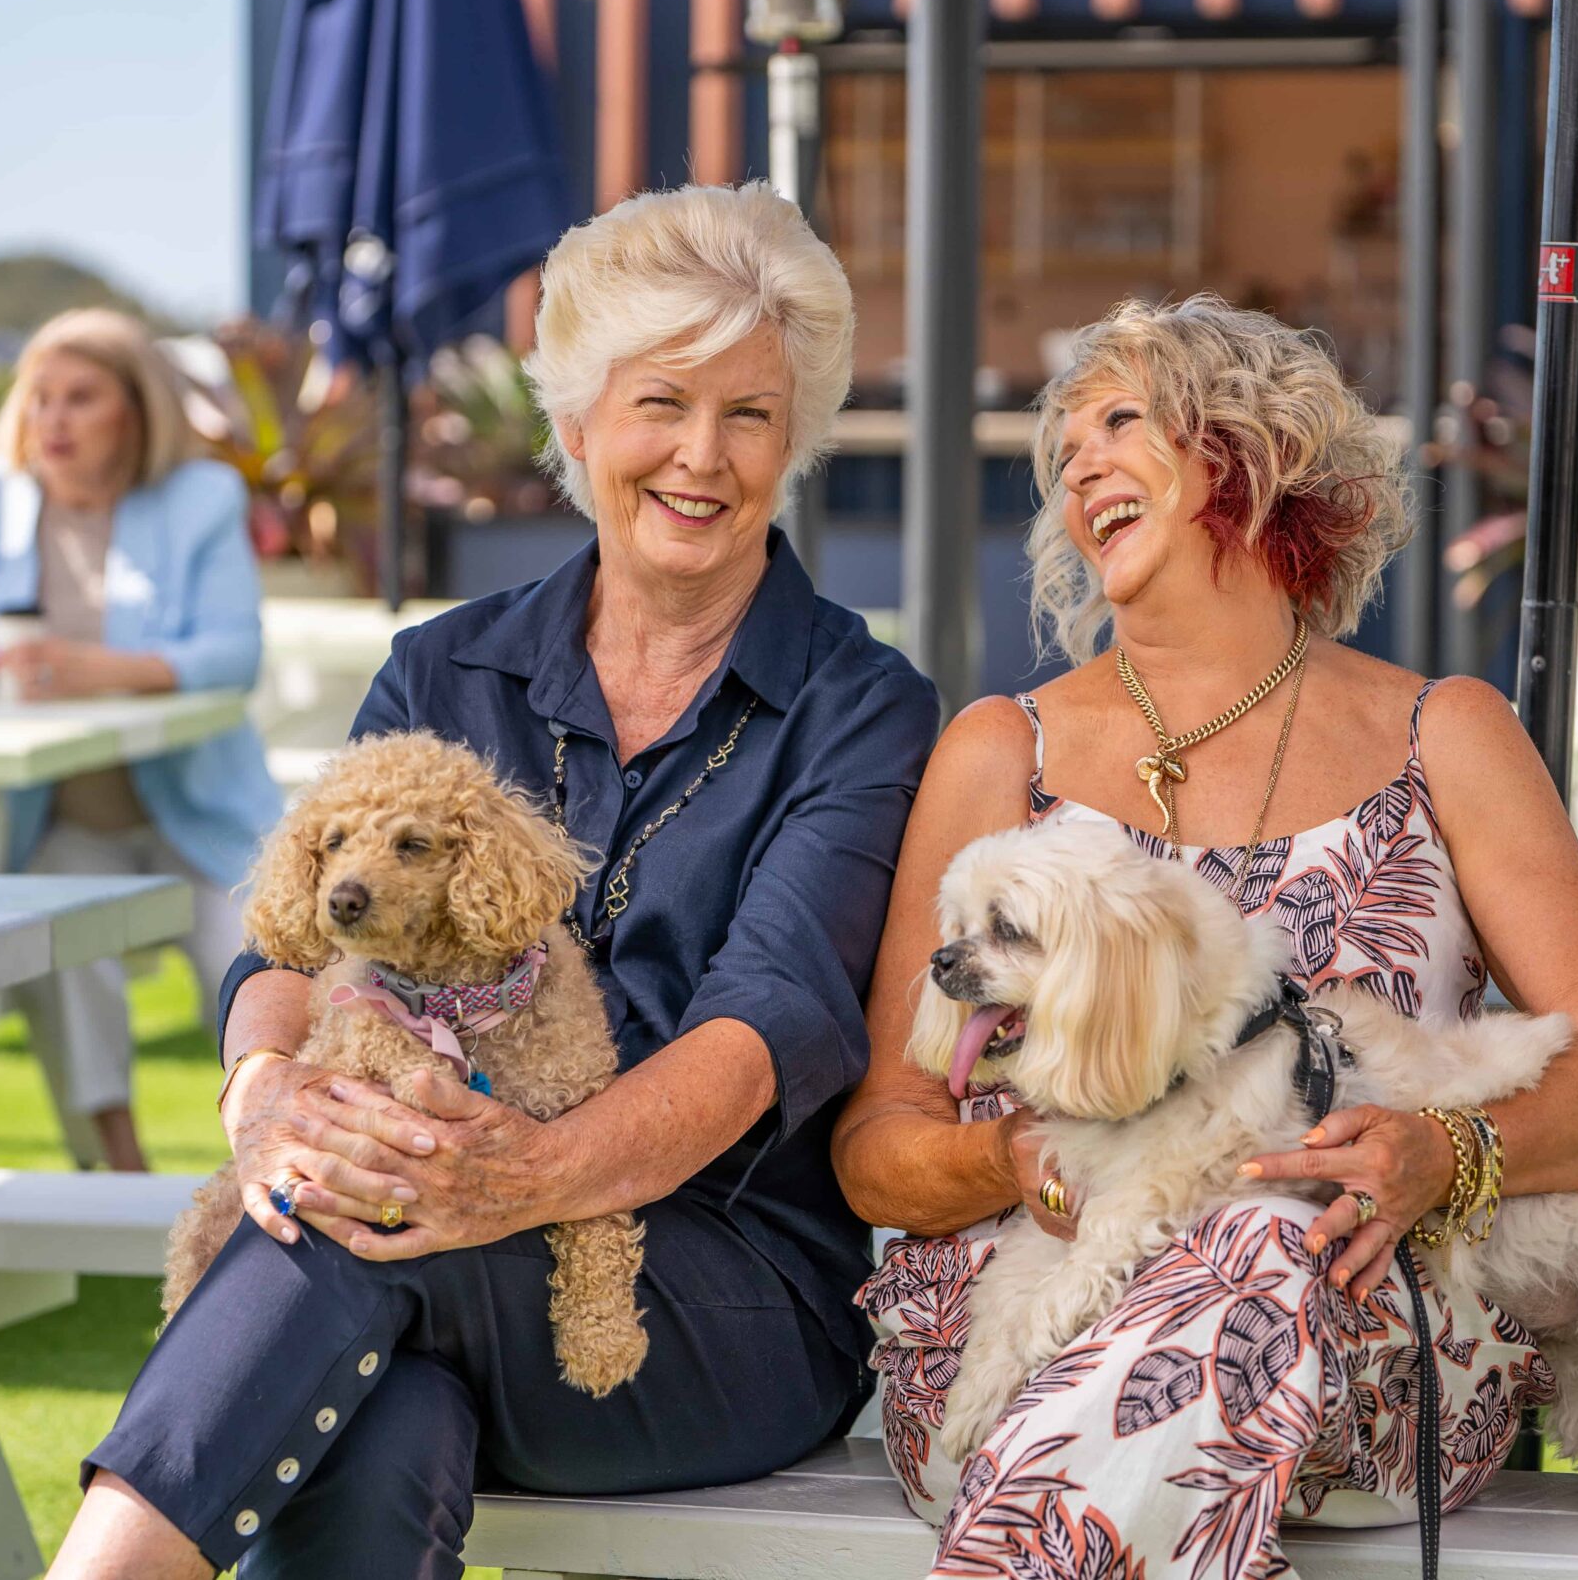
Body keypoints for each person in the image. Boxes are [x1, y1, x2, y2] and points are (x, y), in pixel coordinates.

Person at [48, 182, 940, 1579]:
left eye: (750, 414)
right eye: (662, 403)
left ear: (797, 440)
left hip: (719, 1296)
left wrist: (509, 1176)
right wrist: (266, 1100)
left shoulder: (860, 704)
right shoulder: (442, 667)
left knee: (353, 1228)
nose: (702, 454)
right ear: (579, 426)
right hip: (422, 1252)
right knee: (378, 1397)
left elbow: (766, 1023)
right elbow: (292, 944)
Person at [834, 297, 1578, 1574]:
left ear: (1247, 452)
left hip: (1356, 1349)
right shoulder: (1004, 753)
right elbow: (879, 1141)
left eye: (1120, 420)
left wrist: (1441, 1154)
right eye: (1065, 451)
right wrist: (1024, 1164)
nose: (1078, 465)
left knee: (1270, 1222)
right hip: (1026, 1335)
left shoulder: (1442, 735)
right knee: (1235, 1243)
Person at [0, 309, 284, 1173]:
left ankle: (270, 1164)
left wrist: (107, 666)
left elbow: (233, 656)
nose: (51, 419)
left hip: (199, 821)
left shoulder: (199, 499)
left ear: (135, 409)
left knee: (250, 962)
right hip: (62, 823)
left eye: (80, 398)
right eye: (40, 397)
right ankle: (117, 1171)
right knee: (59, 942)